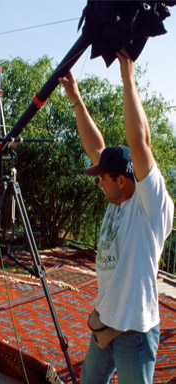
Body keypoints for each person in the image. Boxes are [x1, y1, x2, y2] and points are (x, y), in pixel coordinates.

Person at [59, 50, 174, 383]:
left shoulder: (148, 205)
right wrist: (77, 100)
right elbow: (97, 149)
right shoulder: (117, 197)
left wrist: (128, 78)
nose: (99, 181)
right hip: (106, 325)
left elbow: (140, 143)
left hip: (134, 332)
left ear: (122, 179)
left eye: (103, 177)